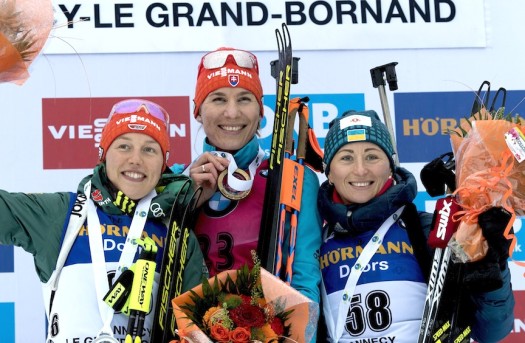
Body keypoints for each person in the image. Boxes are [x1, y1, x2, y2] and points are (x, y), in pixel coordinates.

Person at [0, 99, 207, 342]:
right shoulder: (61, 213)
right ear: (103, 154)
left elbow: (195, 330)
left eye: (150, 149)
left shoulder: (177, 237)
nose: (136, 160)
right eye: (124, 146)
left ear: (163, 164)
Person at [317, 110, 515, 342]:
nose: (361, 170)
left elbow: (492, 332)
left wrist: (492, 265)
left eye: (372, 156)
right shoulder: (313, 240)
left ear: (390, 166)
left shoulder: (430, 230)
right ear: (329, 171)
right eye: (346, 158)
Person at [174, 47, 322, 310]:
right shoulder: (175, 179)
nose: (232, 113)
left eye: (244, 99)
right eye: (218, 99)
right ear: (197, 111)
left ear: (261, 111)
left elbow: (305, 282)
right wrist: (184, 200)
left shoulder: (292, 177)